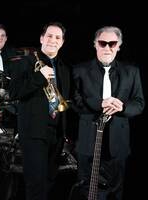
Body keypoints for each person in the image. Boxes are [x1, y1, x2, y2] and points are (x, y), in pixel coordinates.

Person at [72, 26, 145, 199]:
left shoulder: (131, 72)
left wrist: (123, 107)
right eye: (102, 43)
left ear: (119, 45)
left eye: (112, 43)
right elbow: (75, 102)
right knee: (87, 192)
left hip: (118, 145)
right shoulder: (79, 70)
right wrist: (100, 104)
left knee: (115, 193)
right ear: (95, 45)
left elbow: (139, 103)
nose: (107, 48)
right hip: (88, 143)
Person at [9, 22, 72, 200]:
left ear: (62, 42)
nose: (53, 40)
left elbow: (65, 100)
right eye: (49, 36)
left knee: (49, 181)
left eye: (57, 37)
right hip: (33, 132)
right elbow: (14, 92)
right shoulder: (26, 62)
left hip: (56, 131)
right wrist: (39, 76)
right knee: (35, 183)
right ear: (41, 38)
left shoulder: (64, 69)